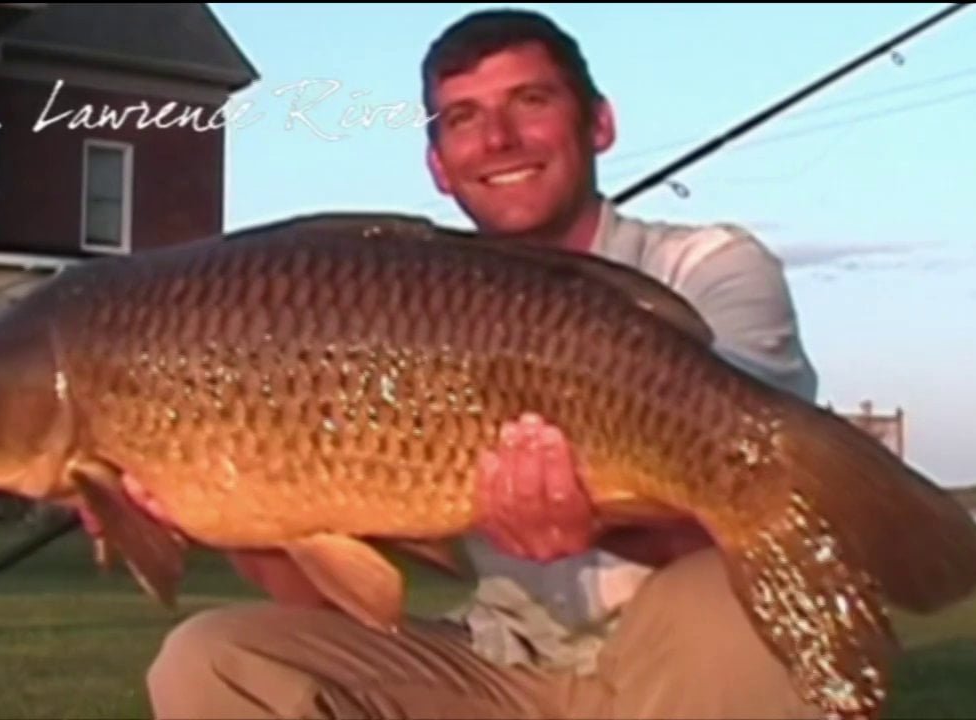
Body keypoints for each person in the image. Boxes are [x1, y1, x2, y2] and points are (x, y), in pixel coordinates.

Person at [138, 8, 828, 719]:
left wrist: (601, 520)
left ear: (599, 124)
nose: (498, 140)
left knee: (730, 599)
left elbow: (775, 511)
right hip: (502, 664)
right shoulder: (402, 312)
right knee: (213, 662)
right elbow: (332, 597)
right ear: (438, 166)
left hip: (677, 664)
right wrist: (215, 506)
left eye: (531, 102)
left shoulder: (706, 269)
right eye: (463, 118)